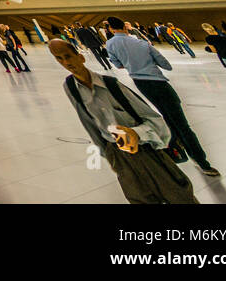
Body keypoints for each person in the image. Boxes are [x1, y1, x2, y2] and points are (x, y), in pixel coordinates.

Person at [48, 39, 197, 204]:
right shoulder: (70, 87)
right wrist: (107, 154)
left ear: (80, 56)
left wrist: (135, 134)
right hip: (118, 155)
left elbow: (156, 122)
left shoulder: (111, 85)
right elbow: (89, 124)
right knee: (139, 198)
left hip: (146, 150)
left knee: (178, 195)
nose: (66, 62)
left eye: (68, 56)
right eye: (59, 58)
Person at [104, 17, 219, 177]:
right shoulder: (142, 44)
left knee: (166, 117)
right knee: (181, 123)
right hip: (158, 82)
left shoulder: (110, 44)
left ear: (110, 29)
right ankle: (201, 161)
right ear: (125, 27)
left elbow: (117, 64)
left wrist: (132, 63)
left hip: (141, 83)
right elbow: (166, 65)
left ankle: (174, 149)